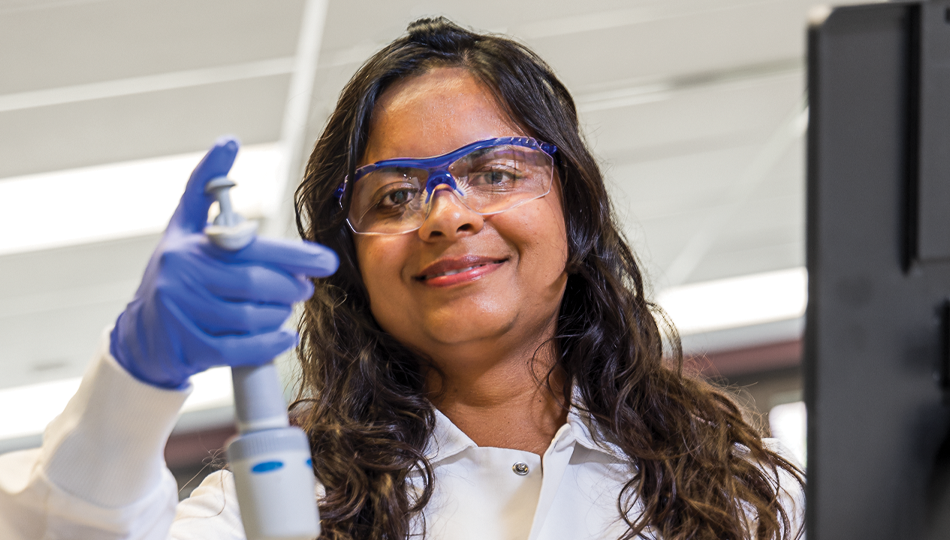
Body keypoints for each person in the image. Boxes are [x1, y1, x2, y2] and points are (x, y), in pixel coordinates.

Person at [0, 17, 804, 540]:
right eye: (397, 194)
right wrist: (135, 382)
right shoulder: (284, 505)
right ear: (353, 267)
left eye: (492, 171)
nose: (446, 216)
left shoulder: (739, 489)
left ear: (576, 210)